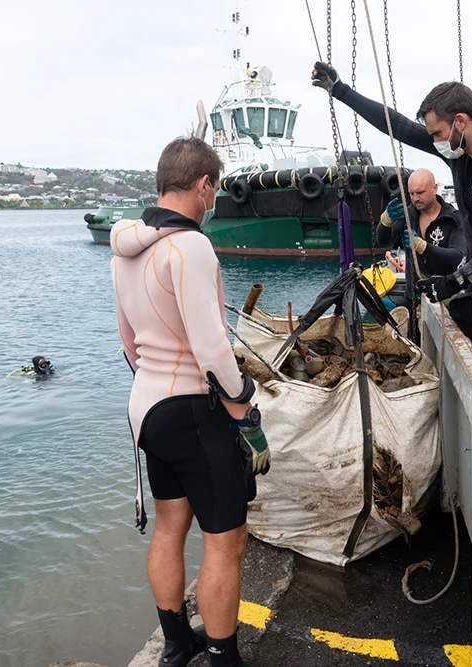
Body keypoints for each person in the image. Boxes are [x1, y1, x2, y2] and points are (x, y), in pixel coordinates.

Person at [312, 62, 472, 489]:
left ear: (460, 122)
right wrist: (340, 90)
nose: (433, 141)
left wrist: (460, 276)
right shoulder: (458, 154)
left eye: (435, 133)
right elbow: (394, 124)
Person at [110, 136, 269, 667]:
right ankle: (225, 659)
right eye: (215, 189)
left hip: (146, 410)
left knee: (170, 525)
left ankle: (177, 645)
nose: (215, 199)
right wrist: (243, 408)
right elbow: (212, 347)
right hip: (193, 409)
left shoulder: (124, 252)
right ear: (203, 185)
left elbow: (129, 343)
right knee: (226, 543)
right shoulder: (191, 246)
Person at [377, 168, 465, 316]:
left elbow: (456, 257)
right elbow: (383, 240)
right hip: (413, 298)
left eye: (420, 193)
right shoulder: (408, 214)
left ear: (434, 188)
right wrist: (386, 221)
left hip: (443, 297)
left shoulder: (453, 219)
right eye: (412, 194)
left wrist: (424, 247)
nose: (415, 198)